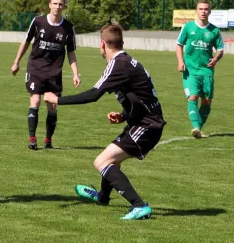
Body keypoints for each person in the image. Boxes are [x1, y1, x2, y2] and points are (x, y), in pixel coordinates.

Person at [44, 24, 165, 220]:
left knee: (102, 162)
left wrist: (57, 99)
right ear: (121, 42)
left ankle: (139, 205)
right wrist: (124, 115)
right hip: (143, 122)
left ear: (102, 45)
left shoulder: (118, 64)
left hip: (147, 126)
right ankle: (102, 197)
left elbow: (93, 94)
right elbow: (140, 97)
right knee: (111, 160)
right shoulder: (127, 62)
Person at [11, 0, 80, 150]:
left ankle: (48, 140)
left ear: (64, 6)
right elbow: (27, 42)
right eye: (55, 4)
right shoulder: (38, 22)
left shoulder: (68, 28)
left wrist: (75, 73)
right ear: (49, 4)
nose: (57, 7)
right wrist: (16, 62)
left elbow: (71, 52)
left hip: (54, 71)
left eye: (60, 4)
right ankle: (32, 138)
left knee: (51, 105)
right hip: (35, 67)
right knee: (35, 100)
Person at [175, 0, 224, 138]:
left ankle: (198, 129)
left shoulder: (214, 30)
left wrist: (215, 59)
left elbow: (220, 49)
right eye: (200, 9)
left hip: (207, 71)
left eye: (206, 9)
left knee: (207, 101)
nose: (203, 11)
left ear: (209, 11)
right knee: (192, 96)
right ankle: (195, 127)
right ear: (196, 11)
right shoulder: (188, 27)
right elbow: (179, 45)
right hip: (190, 70)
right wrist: (180, 61)